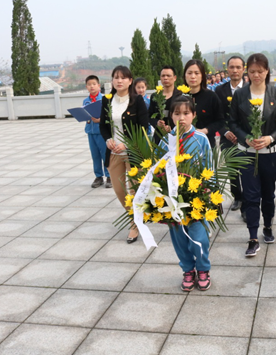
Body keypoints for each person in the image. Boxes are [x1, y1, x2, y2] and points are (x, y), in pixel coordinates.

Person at [229, 53, 276, 256]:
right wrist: (245, 137)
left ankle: (268, 226)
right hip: (247, 153)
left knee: (268, 194)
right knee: (251, 195)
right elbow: (233, 122)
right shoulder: (240, 95)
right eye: (252, 71)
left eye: (260, 71)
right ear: (247, 72)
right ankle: (253, 237)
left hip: (269, 153)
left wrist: (270, 138)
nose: (256, 75)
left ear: (267, 71)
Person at [159, 95, 212, 291]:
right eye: (177, 113)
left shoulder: (201, 139)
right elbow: (158, 170)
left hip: (196, 199)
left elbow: (210, 167)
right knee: (179, 238)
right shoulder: (166, 141)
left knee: (199, 238)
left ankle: (203, 269)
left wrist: (209, 191)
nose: (181, 118)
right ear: (171, 116)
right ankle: (188, 270)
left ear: (194, 115)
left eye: (186, 113)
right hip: (173, 201)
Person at [99, 66, 148, 243]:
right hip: (113, 152)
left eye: (123, 77)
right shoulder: (107, 100)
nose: (119, 81)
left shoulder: (137, 101)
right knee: (120, 190)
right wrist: (107, 140)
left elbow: (143, 127)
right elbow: (103, 126)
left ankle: (135, 225)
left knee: (135, 190)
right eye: (116, 77)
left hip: (133, 151)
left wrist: (126, 143)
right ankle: (133, 216)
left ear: (130, 80)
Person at [215, 55, 246, 212]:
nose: (235, 70)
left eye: (238, 67)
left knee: (247, 170)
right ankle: (237, 197)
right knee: (232, 170)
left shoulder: (251, 88)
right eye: (232, 67)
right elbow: (217, 116)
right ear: (227, 69)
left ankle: (247, 202)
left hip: (246, 137)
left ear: (243, 69)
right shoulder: (220, 90)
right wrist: (225, 131)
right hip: (227, 138)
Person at [184, 59, 224, 149]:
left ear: (202, 76)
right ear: (185, 75)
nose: (193, 76)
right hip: (183, 144)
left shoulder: (211, 96)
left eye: (197, 73)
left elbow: (220, 121)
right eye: (189, 73)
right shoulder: (179, 97)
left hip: (206, 144)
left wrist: (205, 130)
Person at [83, 75, 111, 189]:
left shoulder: (104, 99)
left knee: (105, 154)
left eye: (94, 84)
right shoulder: (86, 101)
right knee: (95, 155)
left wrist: (101, 120)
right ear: (86, 87)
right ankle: (98, 176)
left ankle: (109, 176)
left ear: (99, 86)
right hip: (91, 132)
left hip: (101, 132)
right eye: (89, 85)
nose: (92, 86)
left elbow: (109, 115)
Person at [149, 66, 183, 142]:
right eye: (163, 76)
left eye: (168, 76)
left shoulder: (180, 96)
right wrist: (157, 123)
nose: (165, 78)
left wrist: (172, 127)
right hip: (159, 137)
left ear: (174, 78)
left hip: (177, 136)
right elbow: (150, 116)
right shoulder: (155, 96)